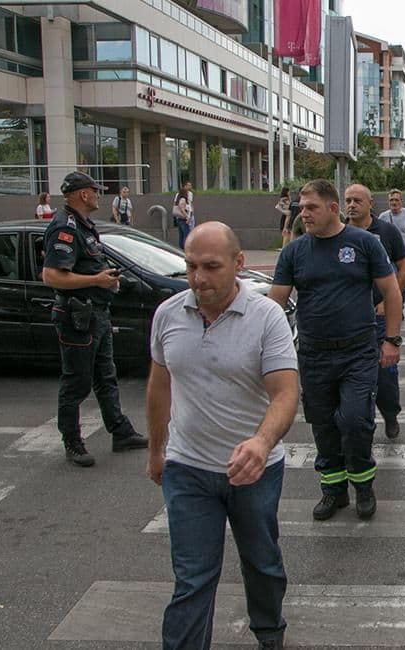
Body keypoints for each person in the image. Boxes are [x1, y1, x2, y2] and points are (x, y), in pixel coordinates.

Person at [146, 222, 298, 650]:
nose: (199, 278)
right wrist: (157, 450)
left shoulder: (266, 316)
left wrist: (261, 442)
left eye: (211, 267)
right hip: (187, 468)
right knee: (193, 577)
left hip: (255, 471)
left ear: (238, 263)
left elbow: (285, 393)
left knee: (262, 564)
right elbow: (160, 384)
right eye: (191, 266)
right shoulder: (168, 314)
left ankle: (269, 633)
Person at [268, 180, 402, 521]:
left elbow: (391, 292)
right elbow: (274, 305)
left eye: (311, 207)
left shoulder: (363, 243)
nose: (304, 214)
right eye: (301, 207)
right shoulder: (294, 252)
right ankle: (333, 490)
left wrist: (391, 340)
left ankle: (364, 485)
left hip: (358, 352)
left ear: (331, 208)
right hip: (313, 355)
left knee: (356, 420)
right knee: (323, 425)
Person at [41, 171, 148, 467]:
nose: (98, 195)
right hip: (77, 315)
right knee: (76, 381)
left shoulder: (85, 226)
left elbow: (89, 266)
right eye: (94, 190)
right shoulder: (65, 227)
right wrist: (96, 280)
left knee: (106, 377)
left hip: (95, 312)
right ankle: (72, 441)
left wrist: (105, 279)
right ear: (83, 194)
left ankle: (120, 432)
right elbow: (52, 275)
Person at [346, 183, 405, 440]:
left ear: (370, 204)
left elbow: (404, 269)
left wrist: (388, 300)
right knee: (354, 375)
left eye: (357, 200)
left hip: (380, 315)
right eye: (348, 200)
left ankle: (390, 413)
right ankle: (363, 424)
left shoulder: (387, 232)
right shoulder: (339, 232)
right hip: (350, 317)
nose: (351, 205)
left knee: (385, 372)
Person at [174, 181, 195, 248]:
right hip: (184, 218)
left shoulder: (186, 196)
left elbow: (190, 204)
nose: (190, 187)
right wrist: (187, 217)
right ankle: (186, 248)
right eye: (188, 185)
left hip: (182, 218)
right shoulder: (182, 199)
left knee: (182, 234)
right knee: (186, 234)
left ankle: (182, 247)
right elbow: (182, 208)